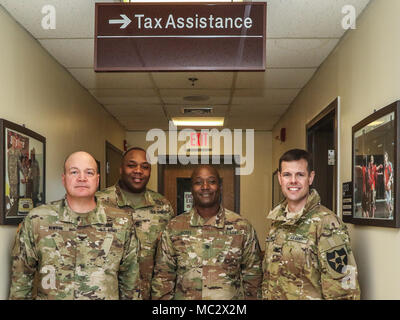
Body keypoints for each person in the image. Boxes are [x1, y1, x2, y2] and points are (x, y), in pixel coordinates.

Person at [9, 151, 141, 300]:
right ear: (64, 179)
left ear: (97, 180)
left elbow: (131, 286)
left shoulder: (121, 224)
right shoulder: (37, 220)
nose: (82, 178)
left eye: (89, 173)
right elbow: (21, 285)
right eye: (74, 172)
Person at [151, 165, 262, 300]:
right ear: (191, 189)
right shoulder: (174, 228)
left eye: (212, 181)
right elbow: (163, 277)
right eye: (198, 182)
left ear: (220, 187)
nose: (205, 186)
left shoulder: (242, 227)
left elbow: (253, 278)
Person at [262, 149, 360, 300]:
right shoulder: (278, 221)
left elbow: (343, 290)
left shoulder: (327, 223)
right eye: (287, 175)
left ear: (310, 178)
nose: (293, 180)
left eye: (300, 174)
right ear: (280, 179)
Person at [96, 147, 175, 300]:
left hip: (151, 293)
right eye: (131, 165)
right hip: (108, 293)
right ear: (121, 168)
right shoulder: (99, 202)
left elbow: (169, 256)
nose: (138, 170)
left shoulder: (162, 205)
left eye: (145, 167)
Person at [383, 152, 394, 218]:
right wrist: (384, 181)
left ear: (387, 157)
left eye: (385, 157)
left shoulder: (390, 164)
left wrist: (389, 181)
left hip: (389, 183)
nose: (385, 159)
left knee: (389, 199)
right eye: (384, 158)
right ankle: (391, 210)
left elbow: (392, 173)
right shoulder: (384, 165)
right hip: (386, 183)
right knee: (387, 200)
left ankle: (390, 212)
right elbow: (384, 174)